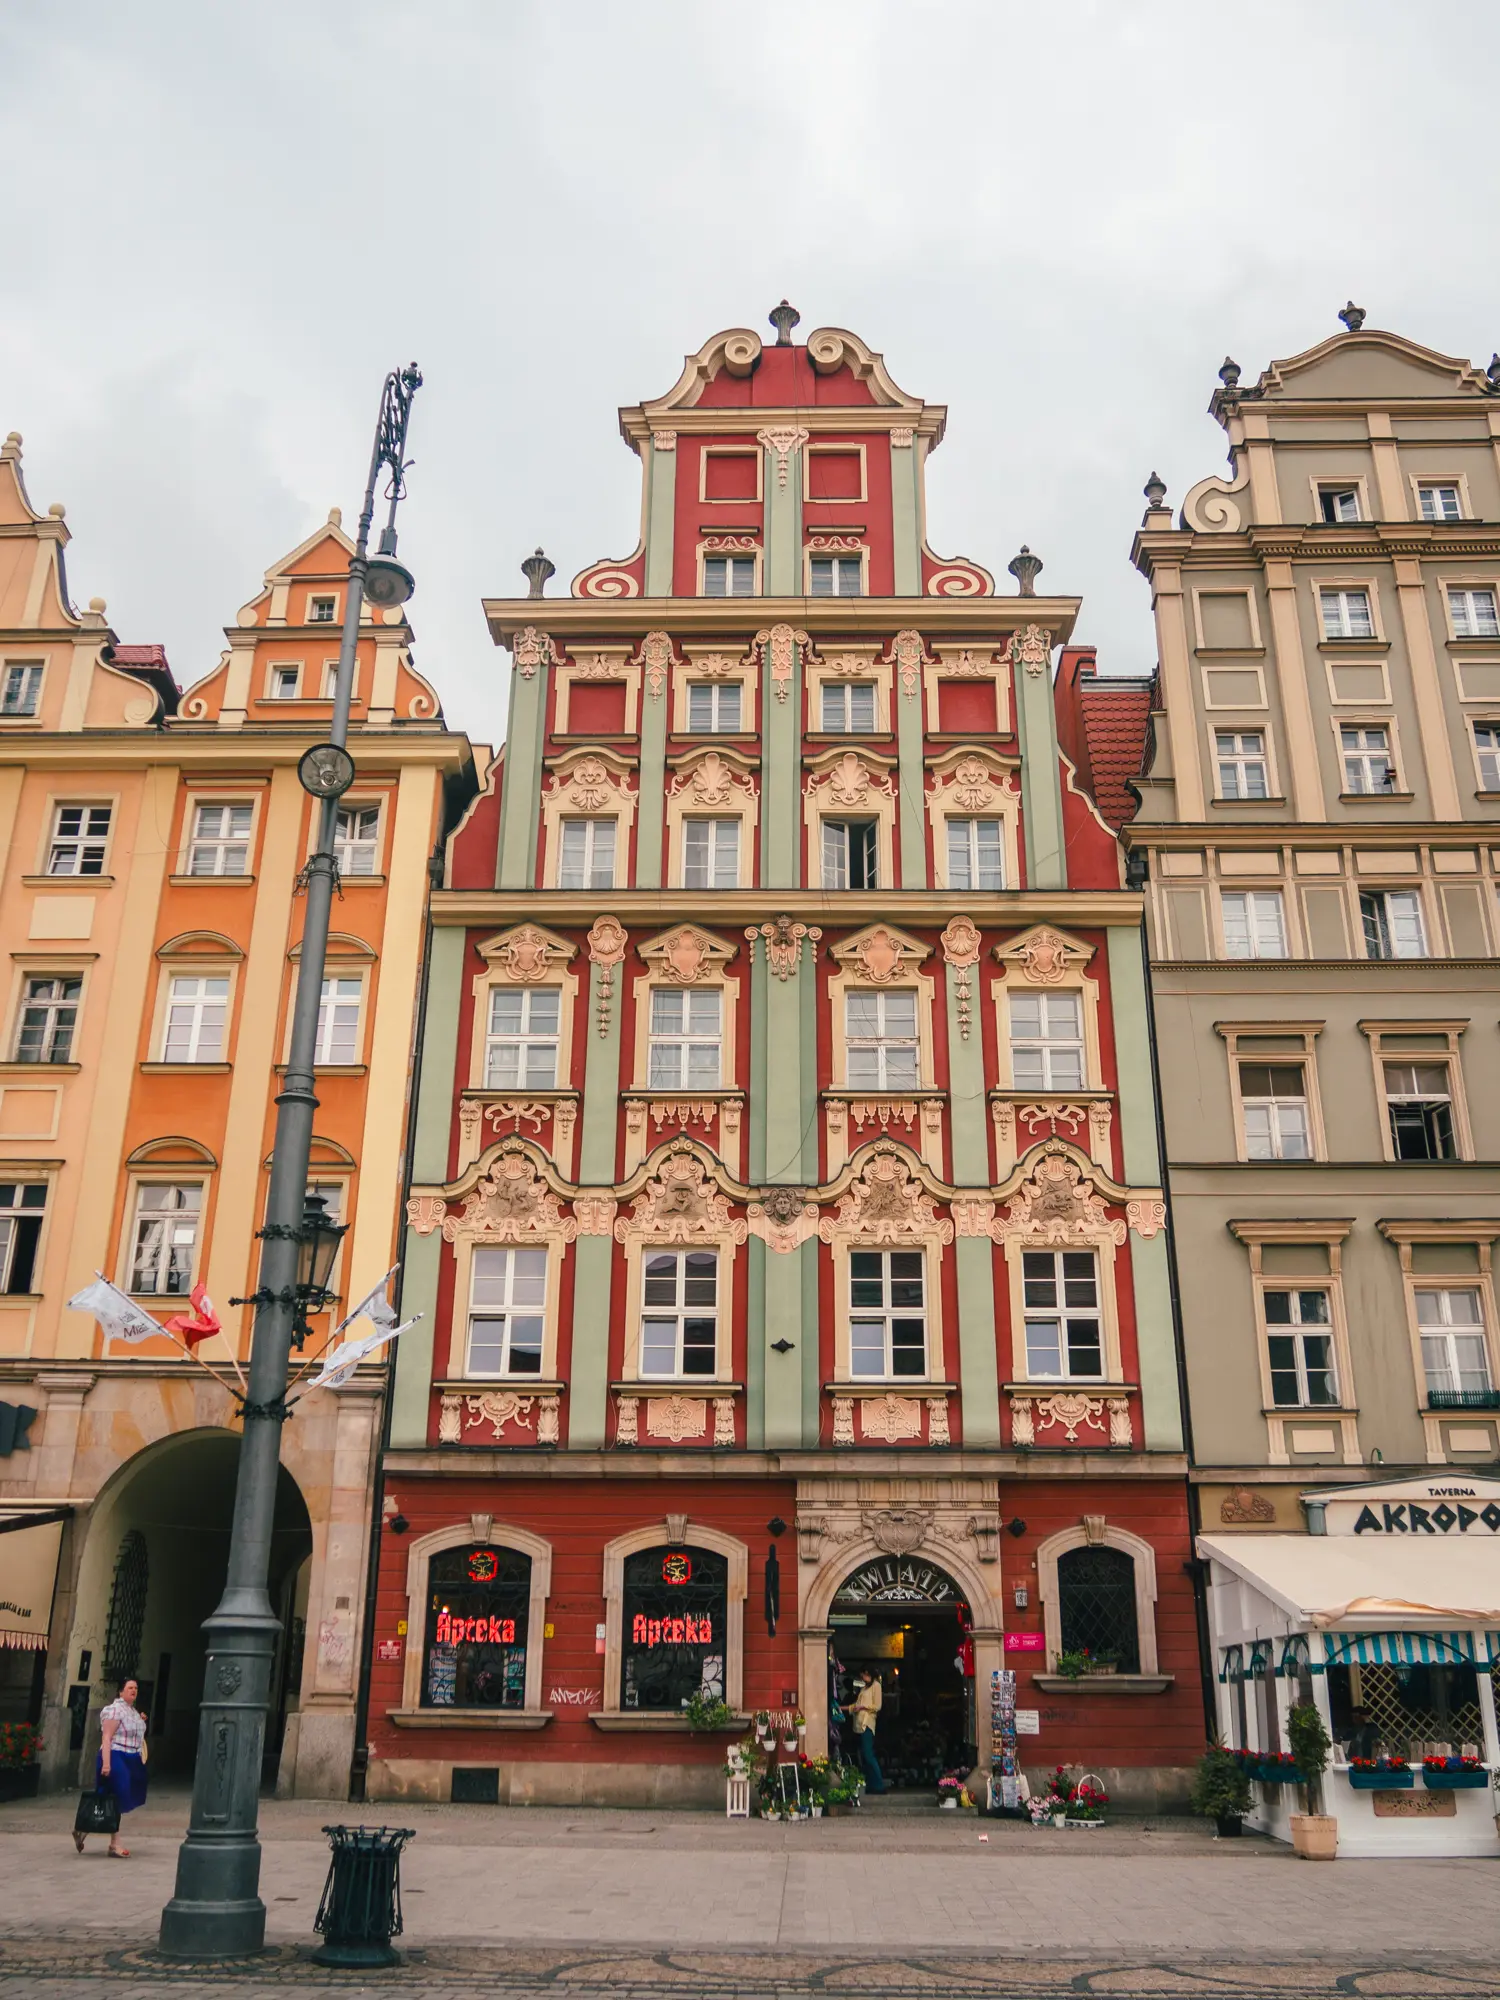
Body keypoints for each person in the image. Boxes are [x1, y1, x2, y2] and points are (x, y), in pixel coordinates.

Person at [74, 1677, 148, 1858]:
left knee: (106, 1797)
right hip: (115, 1755)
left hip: (131, 1758)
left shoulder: (133, 1711)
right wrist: (107, 1763)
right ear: (121, 1691)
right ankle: (115, 1843)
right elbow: (106, 1737)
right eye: (130, 1688)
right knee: (118, 1796)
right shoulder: (114, 1710)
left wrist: (141, 1720)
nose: (133, 1691)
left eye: (136, 1688)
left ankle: (82, 1828)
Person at [850, 1669, 889, 1793]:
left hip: (867, 1723)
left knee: (868, 1755)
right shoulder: (864, 1688)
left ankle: (879, 1785)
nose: (863, 1677)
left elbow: (877, 1706)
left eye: (864, 1675)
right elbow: (856, 1705)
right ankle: (872, 1784)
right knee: (865, 1756)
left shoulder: (876, 1686)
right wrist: (842, 1708)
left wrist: (863, 1707)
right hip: (860, 1724)